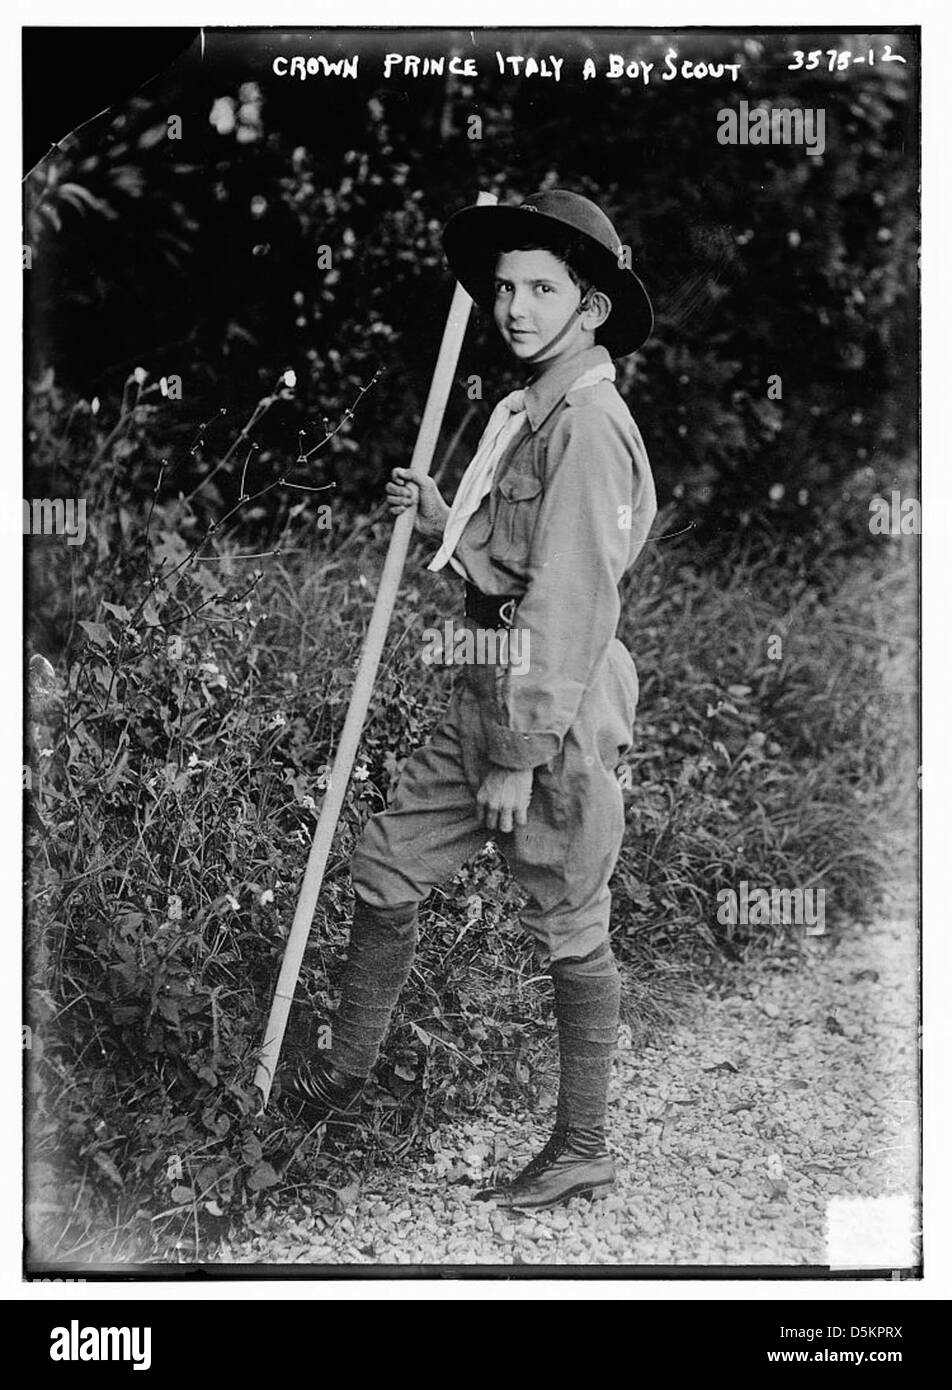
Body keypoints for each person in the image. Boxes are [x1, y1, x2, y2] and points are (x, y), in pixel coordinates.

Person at [284, 189, 658, 1210]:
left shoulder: (588, 425)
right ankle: (341, 1073)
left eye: (542, 288)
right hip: (490, 679)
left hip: (555, 704)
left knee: (571, 915)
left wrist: (517, 753)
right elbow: (511, 560)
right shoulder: (527, 409)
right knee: (387, 859)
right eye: (503, 287)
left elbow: (572, 598)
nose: (514, 306)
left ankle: (583, 1141)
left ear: (589, 306)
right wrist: (448, 513)